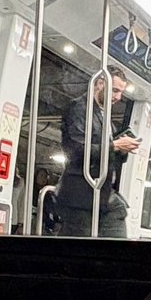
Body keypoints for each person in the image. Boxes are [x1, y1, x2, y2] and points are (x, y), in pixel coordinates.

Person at [55, 66, 140, 237]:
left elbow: (109, 158)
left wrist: (122, 150)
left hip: (102, 193)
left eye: (121, 92)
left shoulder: (104, 116)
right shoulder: (79, 108)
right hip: (81, 194)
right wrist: (114, 146)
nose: (118, 97)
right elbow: (76, 150)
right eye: (115, 90)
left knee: (118, 216)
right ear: (100, 84)